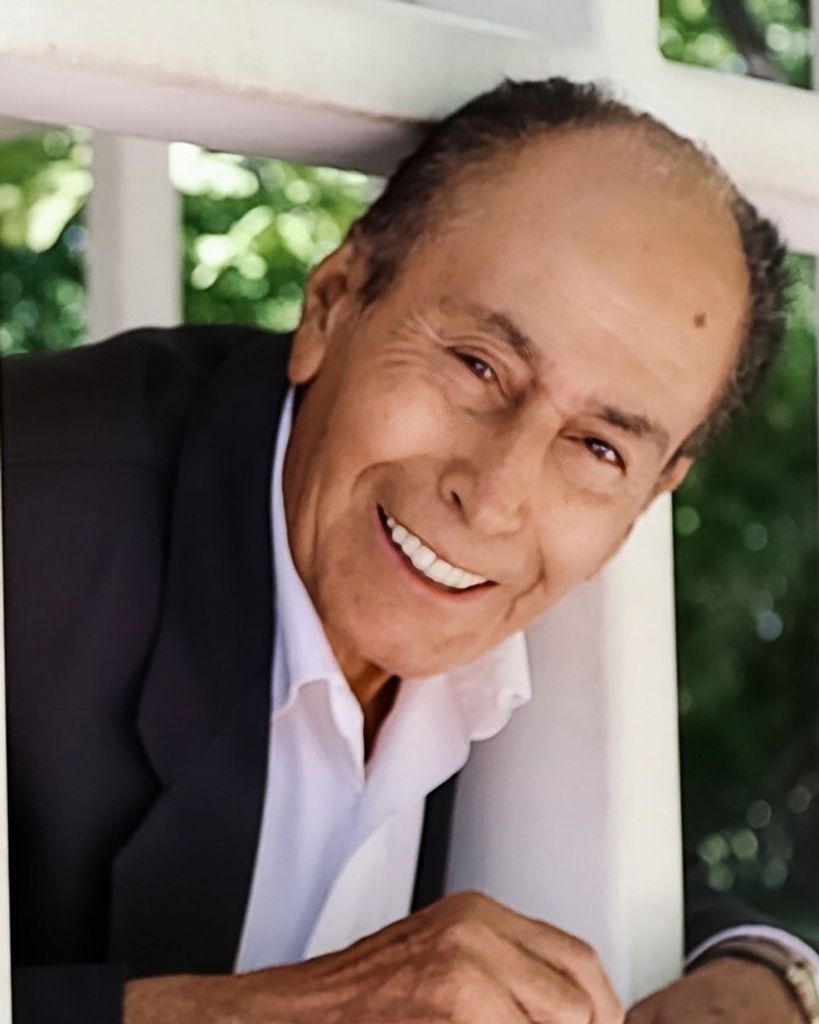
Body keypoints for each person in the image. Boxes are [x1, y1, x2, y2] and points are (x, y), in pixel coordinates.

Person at [3, 78, 817, 1024]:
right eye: (477, 366)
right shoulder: (31, 517)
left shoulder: (532, 610)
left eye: (599, 448)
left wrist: (763, 970)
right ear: (333, 303)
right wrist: (268, 1013)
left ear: (651, 494)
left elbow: (617, 870)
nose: (496, 496)